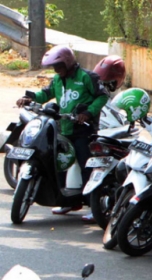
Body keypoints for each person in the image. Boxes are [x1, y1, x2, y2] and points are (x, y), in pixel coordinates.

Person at [16, 45, 108, 216]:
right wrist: (30, 98)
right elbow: (46, 93)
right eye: (54, 67)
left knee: (85, 164)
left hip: (82, 130)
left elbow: (102, 96)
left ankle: (93, 207)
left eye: (59, 66)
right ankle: (68, 201)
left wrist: (88, 113)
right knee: (60, 164)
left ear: (68, 62)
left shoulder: (87, 77)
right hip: (62, 128)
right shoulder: (58, 80)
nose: (56, 70)